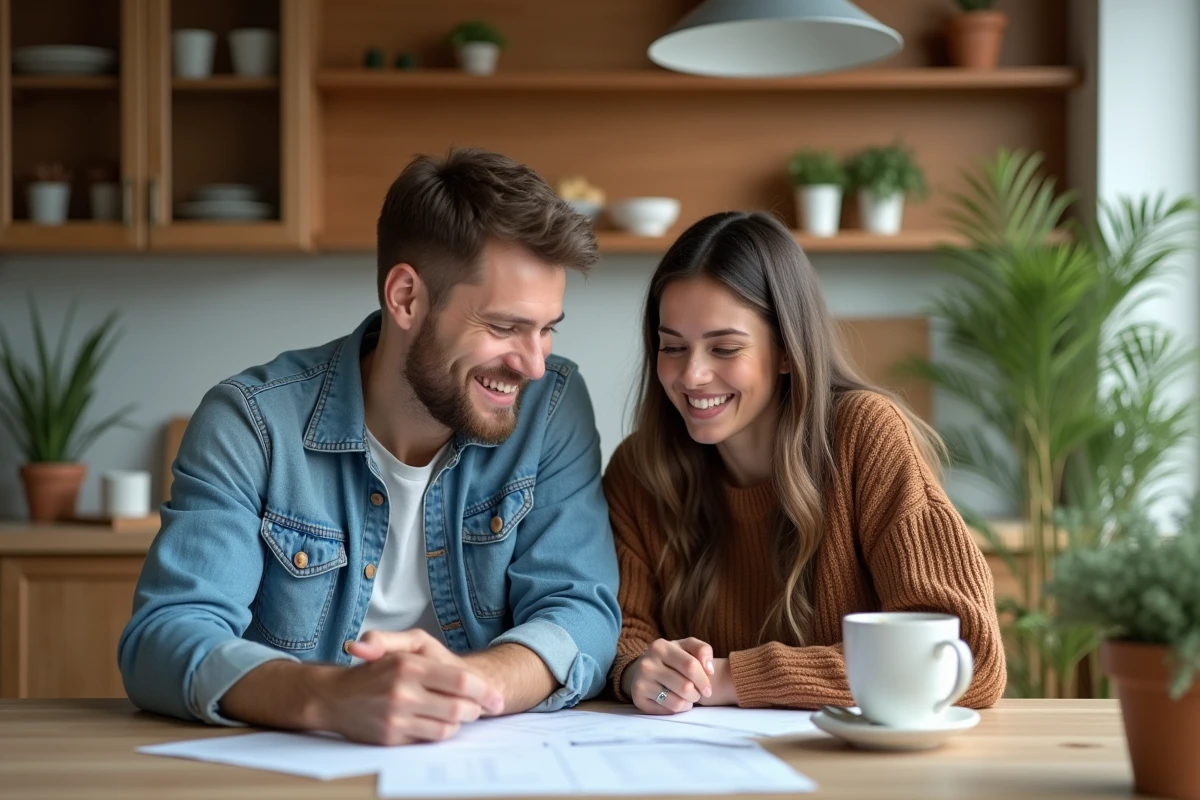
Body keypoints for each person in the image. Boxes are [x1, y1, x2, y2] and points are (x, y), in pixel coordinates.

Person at [119, 148, 621, 745]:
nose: (533, 365)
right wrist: (330, 696)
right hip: (297, 767)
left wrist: (468, 682)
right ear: (406, 297)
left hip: (481, 761)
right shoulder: (252, 423)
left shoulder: (550, 406)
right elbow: (165, 637)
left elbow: (581, 612)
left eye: (546, 330)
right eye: (504, 327)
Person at [605, 211, 1005, 715]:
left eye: (724, 348)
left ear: (786, 351)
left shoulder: (866, 435)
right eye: (673, 347)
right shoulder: (639, 470)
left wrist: (732, 677)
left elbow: (968, 657)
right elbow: (618, 634)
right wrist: (638, 671)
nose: (692, 375)